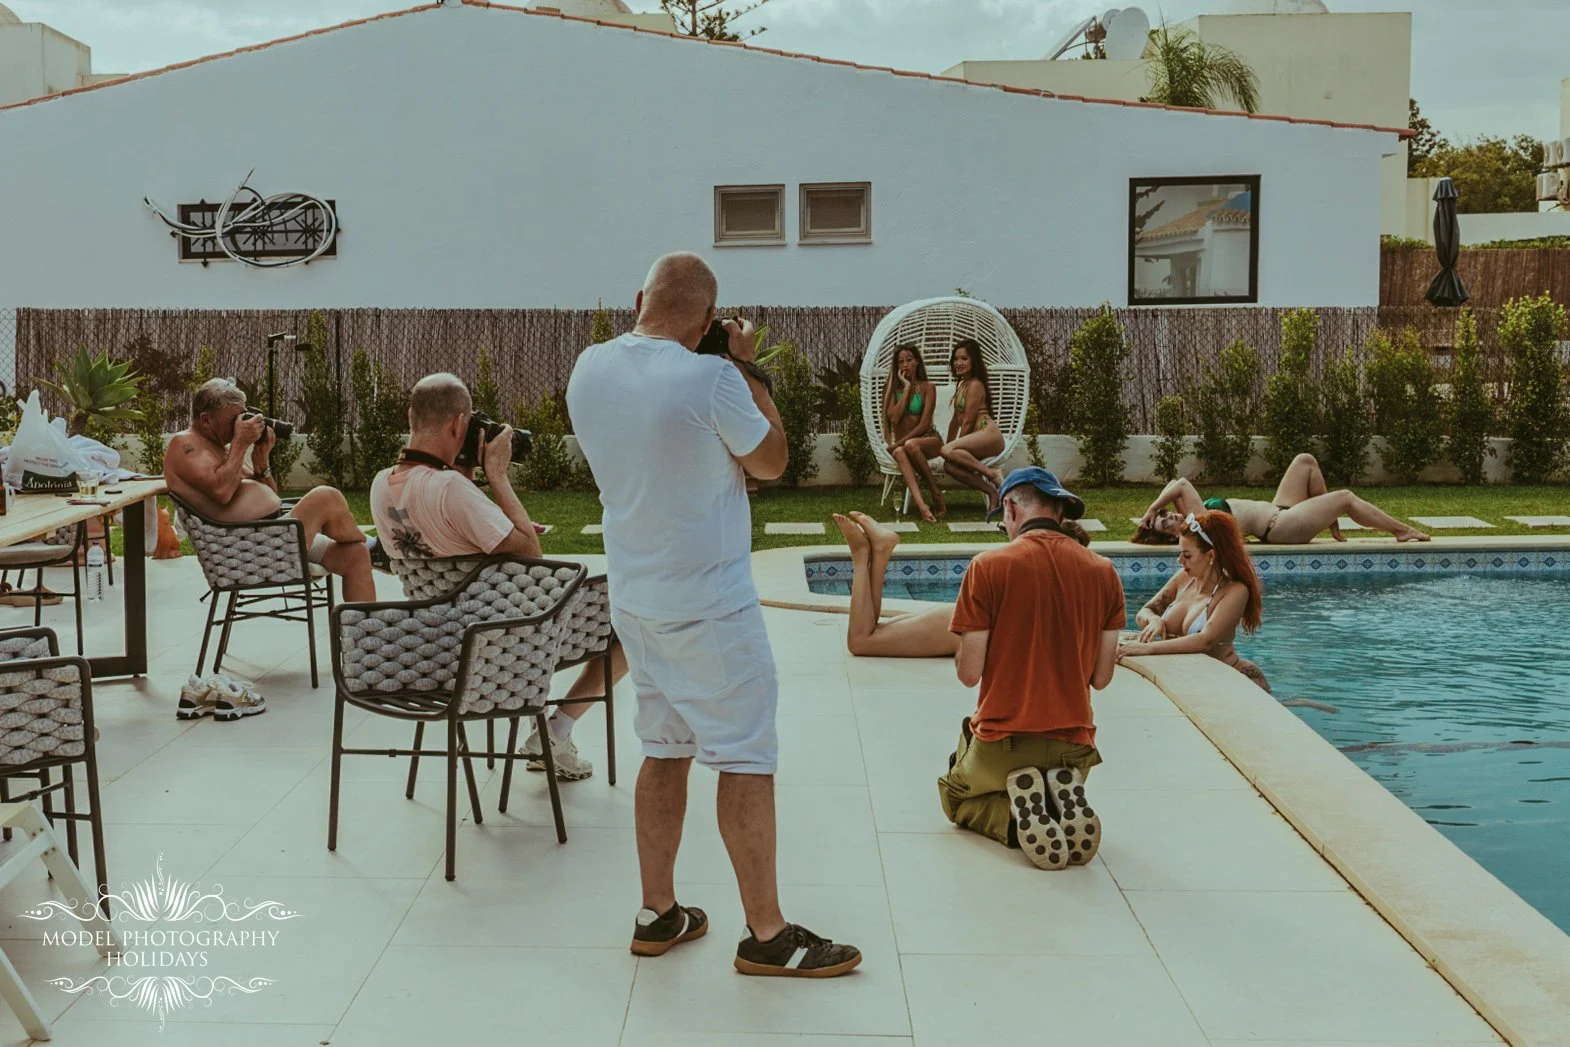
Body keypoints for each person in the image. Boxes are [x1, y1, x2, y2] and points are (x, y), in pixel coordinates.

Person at [567, 251, 861, 977]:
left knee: (663, 747)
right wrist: (748, 368)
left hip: (636, 598)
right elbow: (772, 462)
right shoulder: (714, 377)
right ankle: (767, 933)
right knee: (745, 755)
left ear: (640, 297)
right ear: (706, 319)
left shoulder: (588, 368)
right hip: (710, 607)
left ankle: (657, 911)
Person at [368, 373, 626, 781]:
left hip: (435, 641)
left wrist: (476, 487)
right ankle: (555, 731)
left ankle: (549, 727)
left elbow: (450, 527)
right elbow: (530, 553)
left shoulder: (382, 483)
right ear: (459, 424)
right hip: (501, 644)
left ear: (411, 415)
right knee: (630, 625)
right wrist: (498, 477)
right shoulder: (452, 488)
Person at [939, 467, 1123, 870]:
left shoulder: (987, 567)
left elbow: (969, 673)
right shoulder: (1104, 571)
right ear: (1059, 511)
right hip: (1074, 748)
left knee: (954, 795)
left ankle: (1014, 818)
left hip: (1002, 746)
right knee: (1048, 776)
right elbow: (1102, 678)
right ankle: (1058, 802)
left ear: (1009, 507)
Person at [165, 379, 376, 719]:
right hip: (241, 549)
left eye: (243, 416)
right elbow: (221, 492)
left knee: (354, 555)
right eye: (233, 418)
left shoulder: (223, 449)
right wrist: (241, 444)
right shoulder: (185, 444)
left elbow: (270, 495)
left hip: (269, 539)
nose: (241, 424)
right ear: (205, 420)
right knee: (326, 496)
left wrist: (260, 459)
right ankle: (378, 547)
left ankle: (365, 655)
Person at [830, 510, 1091, 658]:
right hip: (962, 627)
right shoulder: (1061, 587)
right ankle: (863, 554)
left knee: (871, 632)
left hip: (960, 621)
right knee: (863, 641)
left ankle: (880, 550)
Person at [1118, 510, 1271, 691]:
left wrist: (1148, 648)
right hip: (1185, 676)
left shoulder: (1235, 591)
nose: (1180, 560)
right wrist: (1154, 620)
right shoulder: (1183, 578)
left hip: (1230, 678)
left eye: (1187, 555)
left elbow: (1205, 640)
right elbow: (1146, 610)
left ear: (1211, 556)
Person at [1133, 452, 1429, 544]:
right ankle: (1401, 531)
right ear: (1172, 538)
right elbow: (1181, 482)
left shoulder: (1186, 512)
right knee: (1346, 497)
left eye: (1163, 514)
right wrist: (1152, 507)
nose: (1168, 516)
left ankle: (1331, 522)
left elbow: (1174, 484)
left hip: (1279, 509)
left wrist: (1153, 513)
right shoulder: (1197, 526)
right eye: (1164, 523)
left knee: (1305, 461)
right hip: (1280, 526)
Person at [938, 338, 1005, 515]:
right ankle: (992, 492)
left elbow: (967, 421)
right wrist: (949, 447)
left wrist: (951, 448)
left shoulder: (975, 384)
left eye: (964, 359)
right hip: (977, 437)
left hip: (988, 433)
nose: (958, 363)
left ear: (974, 361)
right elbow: (955, 420)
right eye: (956, 359)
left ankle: (992, 474)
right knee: (949, 466)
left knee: (948, 452)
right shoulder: (962, 383)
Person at [883, 345, 945, 522]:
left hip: (929, 441)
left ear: (917, 361)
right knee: (901, 452)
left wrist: (897, 443)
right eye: (901, 362)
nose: (905, 365)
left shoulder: (928, 387)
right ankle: (923, 506)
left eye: (909, 360)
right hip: (906, 446)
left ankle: (935, 492)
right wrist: (907, 388)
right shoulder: (893, 390)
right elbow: (894, 418)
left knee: (906, 446)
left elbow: (925, 425)